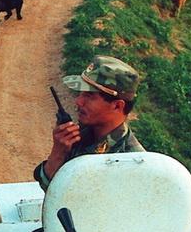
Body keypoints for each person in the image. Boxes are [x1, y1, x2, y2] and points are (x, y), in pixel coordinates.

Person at [33, 55, 145, 191]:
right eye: (80, 94)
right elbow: (51, 190)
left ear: (117, 106)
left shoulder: (133, 163)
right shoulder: (80, 135)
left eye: (90, 96)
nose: (78, 101)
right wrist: (58, 153)